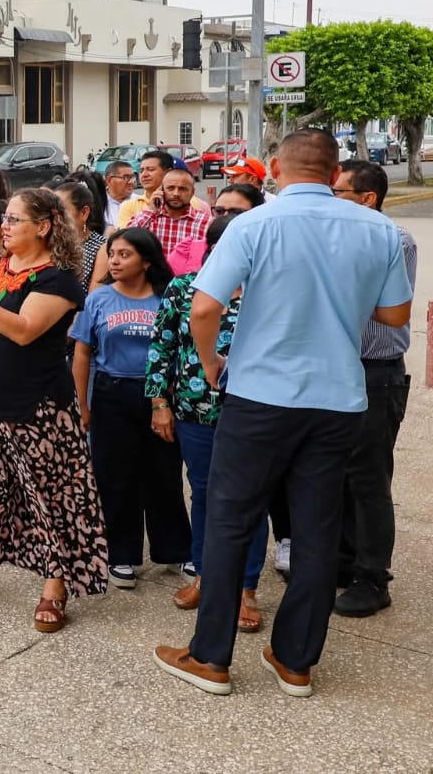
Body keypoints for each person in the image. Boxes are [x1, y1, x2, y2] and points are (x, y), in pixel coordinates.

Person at [154, 129, 412, 699]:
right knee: (318, 528)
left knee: (228, 520)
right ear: (335, 169)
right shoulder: (379, 229)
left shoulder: (254, 223)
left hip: (261, 395)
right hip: (338, 396)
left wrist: (212, 362)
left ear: (275, 167)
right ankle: (296, 661)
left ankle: (211, 657)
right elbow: (395, 314)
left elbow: (204, 306)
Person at [0, 187, 107, 633]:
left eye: (14, 220)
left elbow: (24, 331)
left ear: (44, 226)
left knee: (47, 495)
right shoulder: (2, 265)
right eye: (7, 218)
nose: (5, 226)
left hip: (36, 408)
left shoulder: (58, 279)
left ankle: (55, 585)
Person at [147, 214, 267, 631]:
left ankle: (246, 589)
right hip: (195, 412)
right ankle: (204, 575)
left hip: (253, 413)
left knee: (252, 499)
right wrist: (159, 401)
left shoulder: (264, 292)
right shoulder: (184, 289)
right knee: (204, 493)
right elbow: (162, 347)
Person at [71, 228, 190, 589]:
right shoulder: (100, 299)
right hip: (112, 392)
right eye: (113, 254)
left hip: (160, 397)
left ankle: (176, 550)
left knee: (164, 474)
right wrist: (83, 403)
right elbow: (82, 353)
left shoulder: (167, 298)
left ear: (147, 260)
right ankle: (120, 554)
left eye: (125, 254)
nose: (115, 261)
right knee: (115, 476)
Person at [331, 159, 416, 618]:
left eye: (340, 192)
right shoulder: (334, 237)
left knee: (368, 480)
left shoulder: (393, 239)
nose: (330, 199)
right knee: (335, 473)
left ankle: (372, 576)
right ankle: (342, 562)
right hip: (334, 367)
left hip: (374, 370)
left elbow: (386, 307)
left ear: (367, 199)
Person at [125, 169, 211, 280]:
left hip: (187, 288)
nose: (176, 194)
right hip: (150, 284)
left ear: (192, 192)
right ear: (161, 190)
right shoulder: (149, 218)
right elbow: (126, 238)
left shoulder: (206, 223)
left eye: (182, 189)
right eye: (170, 188)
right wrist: (151, 210)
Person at [166, 184, 263, 275]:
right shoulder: (186, 252)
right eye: (219, 211)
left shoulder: (268, 254)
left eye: (235, 212)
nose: (225, 216)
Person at [54, 181, 105, 292]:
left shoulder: (102, 248)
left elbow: (93, 299)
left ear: (84, 213)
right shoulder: (50, 243)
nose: (55, 217)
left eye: (62, 211)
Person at [102, 161, 137, 231]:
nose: (131, 182)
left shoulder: (140, 201)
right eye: (126, 177)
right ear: (108, 180)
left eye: (132, 177)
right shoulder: (98, 203)